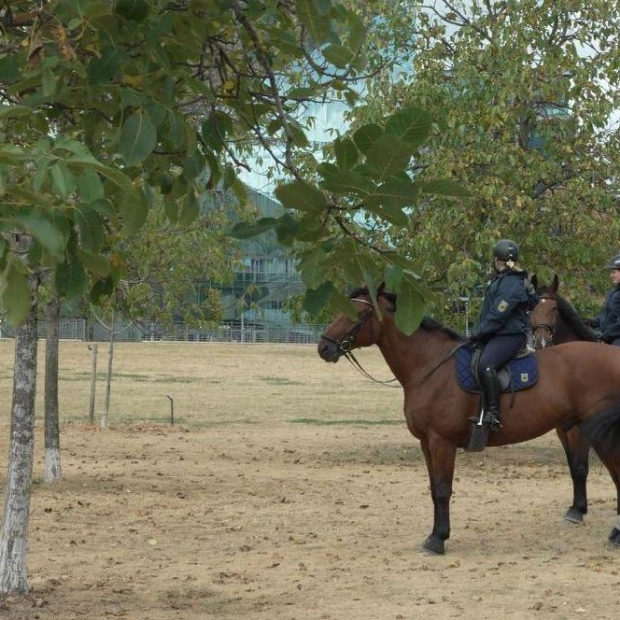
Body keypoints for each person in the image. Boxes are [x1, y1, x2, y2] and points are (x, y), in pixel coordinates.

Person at [470, 239, 539, 430]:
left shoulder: (511, 282)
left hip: (509, 335)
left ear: (495, 259)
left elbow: (499, 314)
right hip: (499, 333)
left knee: (486, 365)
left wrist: (479, 332)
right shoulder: (503, 279)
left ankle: (493, 414)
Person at [589, 254, 620, 347]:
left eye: (614, 272)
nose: (611, 275)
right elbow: (605, 316)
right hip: (607, 335)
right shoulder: (612, 292)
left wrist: (606, 335)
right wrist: (591, 322)